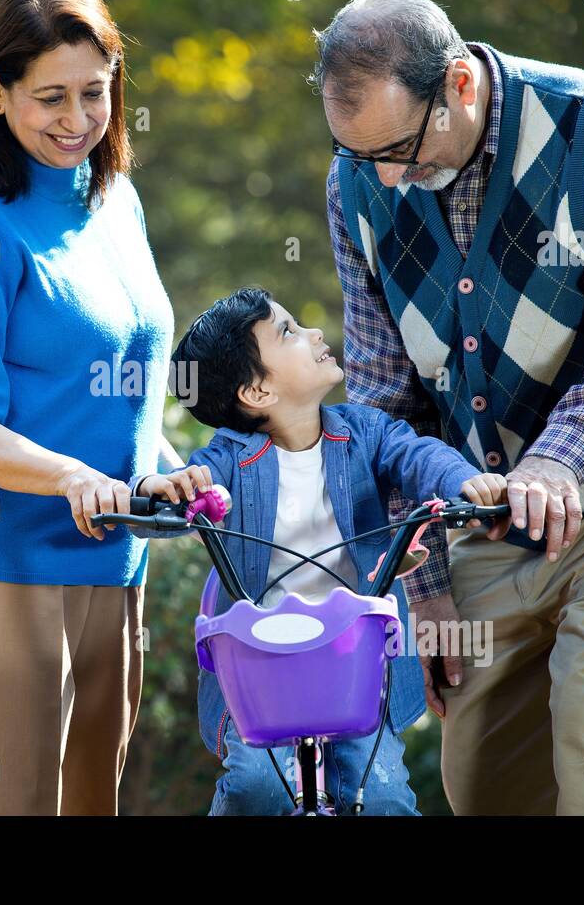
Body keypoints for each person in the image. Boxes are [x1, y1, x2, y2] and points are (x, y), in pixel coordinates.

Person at [314, 0, 584, 813]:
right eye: (358, 155)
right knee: (483, 780)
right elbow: (383, 398)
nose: (388, 180)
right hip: (491, 502)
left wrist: (558, 457)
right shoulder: (356, 183)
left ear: (460, 85)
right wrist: (426, 581)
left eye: (401, 150)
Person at [0, 0, 175, 815]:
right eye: (49, 97)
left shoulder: (114, 198)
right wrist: (69, 480)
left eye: (94, 94)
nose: (76, 120)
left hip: (112, 554)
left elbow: (125, 377)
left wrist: (170, 468)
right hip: (1, 558)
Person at [130, 287, 506, 815]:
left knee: (382, 796)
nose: (313, 333)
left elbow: (419, 456)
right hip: (261, 662)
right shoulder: (227, 460)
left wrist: (465, 483)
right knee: (255, 788)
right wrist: (161, 491)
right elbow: (181, 502)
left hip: (353, 658)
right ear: (256, 392)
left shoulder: (367, 433)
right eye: (287, 332)